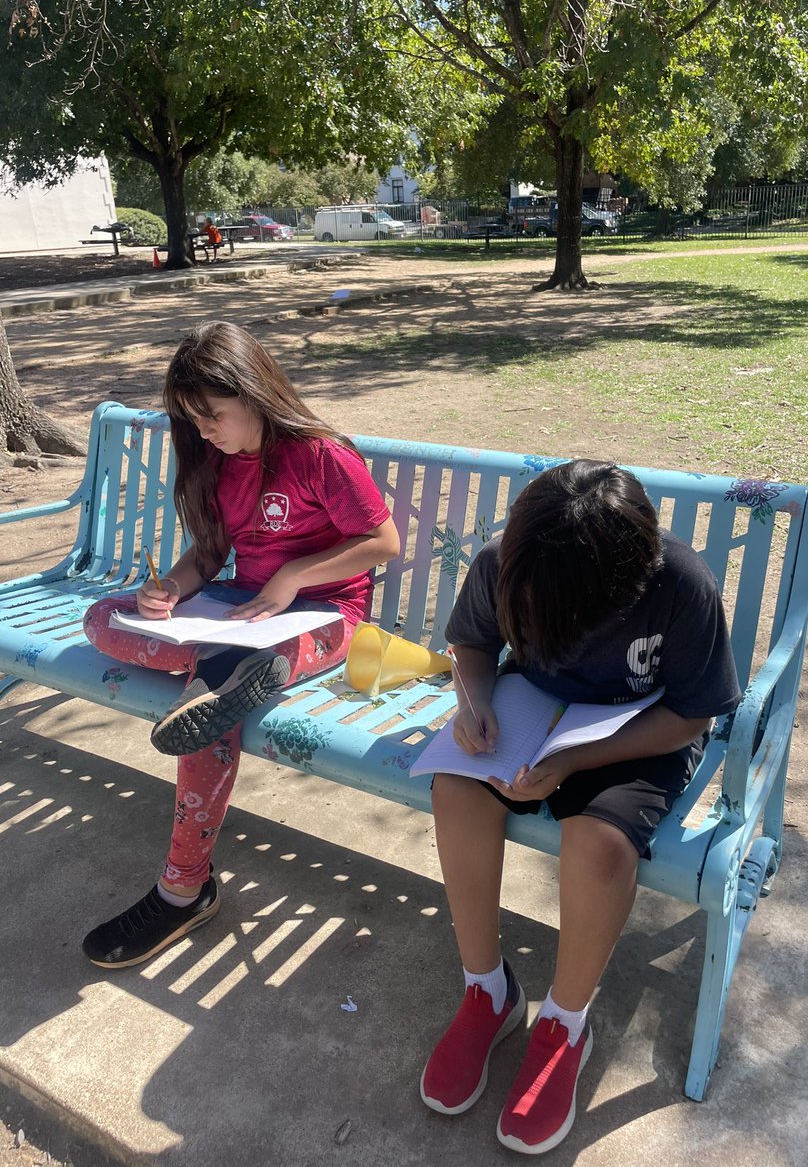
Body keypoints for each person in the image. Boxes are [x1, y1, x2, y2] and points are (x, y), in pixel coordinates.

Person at [419, 460, 741, 1155]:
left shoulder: (679, 587)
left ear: (625, 589)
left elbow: (692, 714)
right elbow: (473, 645)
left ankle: (565, 1021)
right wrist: (472, 703)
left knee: (598, 845)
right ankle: (488, 991)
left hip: (642, 728)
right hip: (530, 715)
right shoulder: (510, 562)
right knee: (455, 786)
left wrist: (572, 762)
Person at [81, 321, 400, 969]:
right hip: (246, 619)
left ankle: (183, 888)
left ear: (253, 391)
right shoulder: (221, 465)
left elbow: (384, 542)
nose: (204, 433)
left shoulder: (320, 454)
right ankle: (217, 675)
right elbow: (210, 556)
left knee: (216, 711)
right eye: (193, 422)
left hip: (327, 619)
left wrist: (291, 577)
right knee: (103, 617)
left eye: (212, 416)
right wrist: (167, 589)